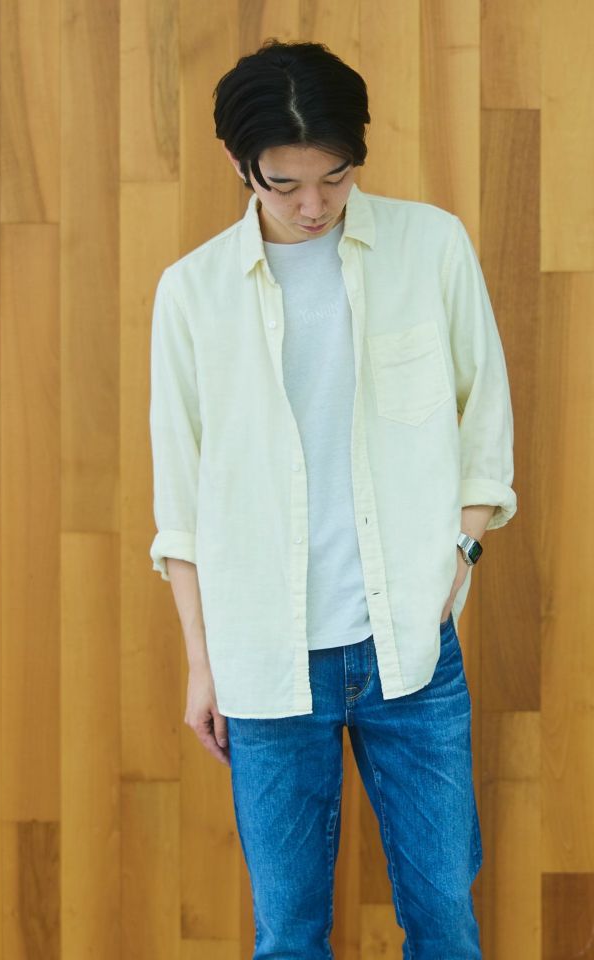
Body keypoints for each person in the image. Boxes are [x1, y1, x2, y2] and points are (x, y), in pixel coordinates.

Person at [148, 37, 517, 960]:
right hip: (264, 660)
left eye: (336, 178)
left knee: (445, 917)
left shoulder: (430, 246)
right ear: (240, 164)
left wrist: (461, 554)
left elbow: (485, 419)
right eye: (284, 185)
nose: (313, 206)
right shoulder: (192, 294)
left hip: (410, 650)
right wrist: (201, 663)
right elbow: (180, 502)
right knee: (289, 933)